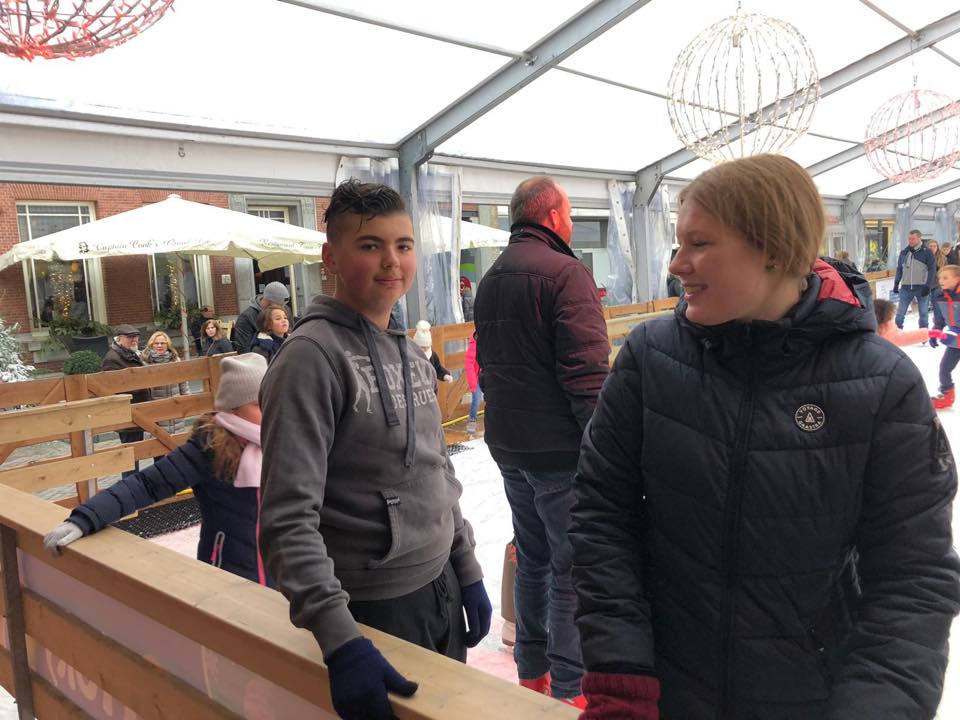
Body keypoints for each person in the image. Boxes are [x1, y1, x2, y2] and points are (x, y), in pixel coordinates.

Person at [570, 154, 960, 720]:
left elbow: (913, 577)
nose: (677, 264)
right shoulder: (650, 359)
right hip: (666, 691)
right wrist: (621, 675)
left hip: (813, 699)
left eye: (699, 243)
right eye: (677, 244)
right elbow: (602, 515)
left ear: (773, 250)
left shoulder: (880, 384)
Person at [258, 179, 490, 720]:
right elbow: (287, 519)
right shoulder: (309, 359)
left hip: (440, 589)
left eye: (403, 245)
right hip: (372, 611)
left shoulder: (411, 356)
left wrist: (467, 568)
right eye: (370, 245)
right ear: (331, 258)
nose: (392, 261)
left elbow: (436, 471)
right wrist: (342, 641)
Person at [473, 175, 609, 707]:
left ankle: (532, 670)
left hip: (511, 446)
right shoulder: (566, 273)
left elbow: (488, 367)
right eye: (570, 214)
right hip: (559, 450)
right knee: (570, 566)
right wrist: (603, 451)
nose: (571, 223)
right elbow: (587, 375)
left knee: (532, 557)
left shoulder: (491, 278)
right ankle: (571, 686)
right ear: (552, 216)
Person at [43, 355, 273, 585]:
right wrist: (86, 518)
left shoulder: (281, 442)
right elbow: (147, 485)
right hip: (228, 573)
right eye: (258, 404)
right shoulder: (210, 448)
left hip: (282, 572)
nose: (270, 409)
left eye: (272, 399)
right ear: (234, 408)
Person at [101, 324, 149, 479]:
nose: (134, 340)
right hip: (127, 413)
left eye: (136, 337)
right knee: (130, 454)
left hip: (138, 410)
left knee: (136, 450)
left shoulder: (131, 354)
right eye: (130, 337)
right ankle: (130, 485)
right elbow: (114, 388)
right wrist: (141, 385)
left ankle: (133, 484)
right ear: (119, 339)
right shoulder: (112, 359)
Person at [141, 331, 190, 436]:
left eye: (163, 343)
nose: (159, 346)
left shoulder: (175, 360)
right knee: (158, 438)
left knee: (177, 436)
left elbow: (183, 383)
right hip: (156, 407)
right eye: (156, 343)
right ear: (151, 345)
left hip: (175, 404)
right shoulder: (145, 363)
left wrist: (186, 400)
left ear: (167, 344)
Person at [893, 229, 937, 329]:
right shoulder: (904, 252)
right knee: (900, 314)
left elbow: (932, 270)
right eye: (909, 238)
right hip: (906, 288)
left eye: (913, 239)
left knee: (923, 314)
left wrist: (928, 285)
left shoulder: (927, 252)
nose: (910, 241)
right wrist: (896, 283)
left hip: (922, 287)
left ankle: (923, 333)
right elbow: (899, 268)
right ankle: (896, 332)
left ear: (919, 238)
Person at [930, 264, 960, 409]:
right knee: (944, 367)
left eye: (945, 278)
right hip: (955, 340)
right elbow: (940, 318)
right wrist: (935, 332)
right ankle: (947, 395)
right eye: (940, 278)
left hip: (955, 336)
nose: (941, 281)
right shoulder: (940, 295)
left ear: (957, 279)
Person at [232, 281, 289, 353]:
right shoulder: (246, 318)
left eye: (285, 317)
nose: (282, 308)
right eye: (279, 305)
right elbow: (243, 349)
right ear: (268, 301)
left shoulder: (284, 309)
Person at [464, 334, 481, 434]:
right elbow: (469, 366)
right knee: (476, 400)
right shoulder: (473, 346)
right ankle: (472, 420)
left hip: (487, 376)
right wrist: (473, 383)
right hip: (477, 379)